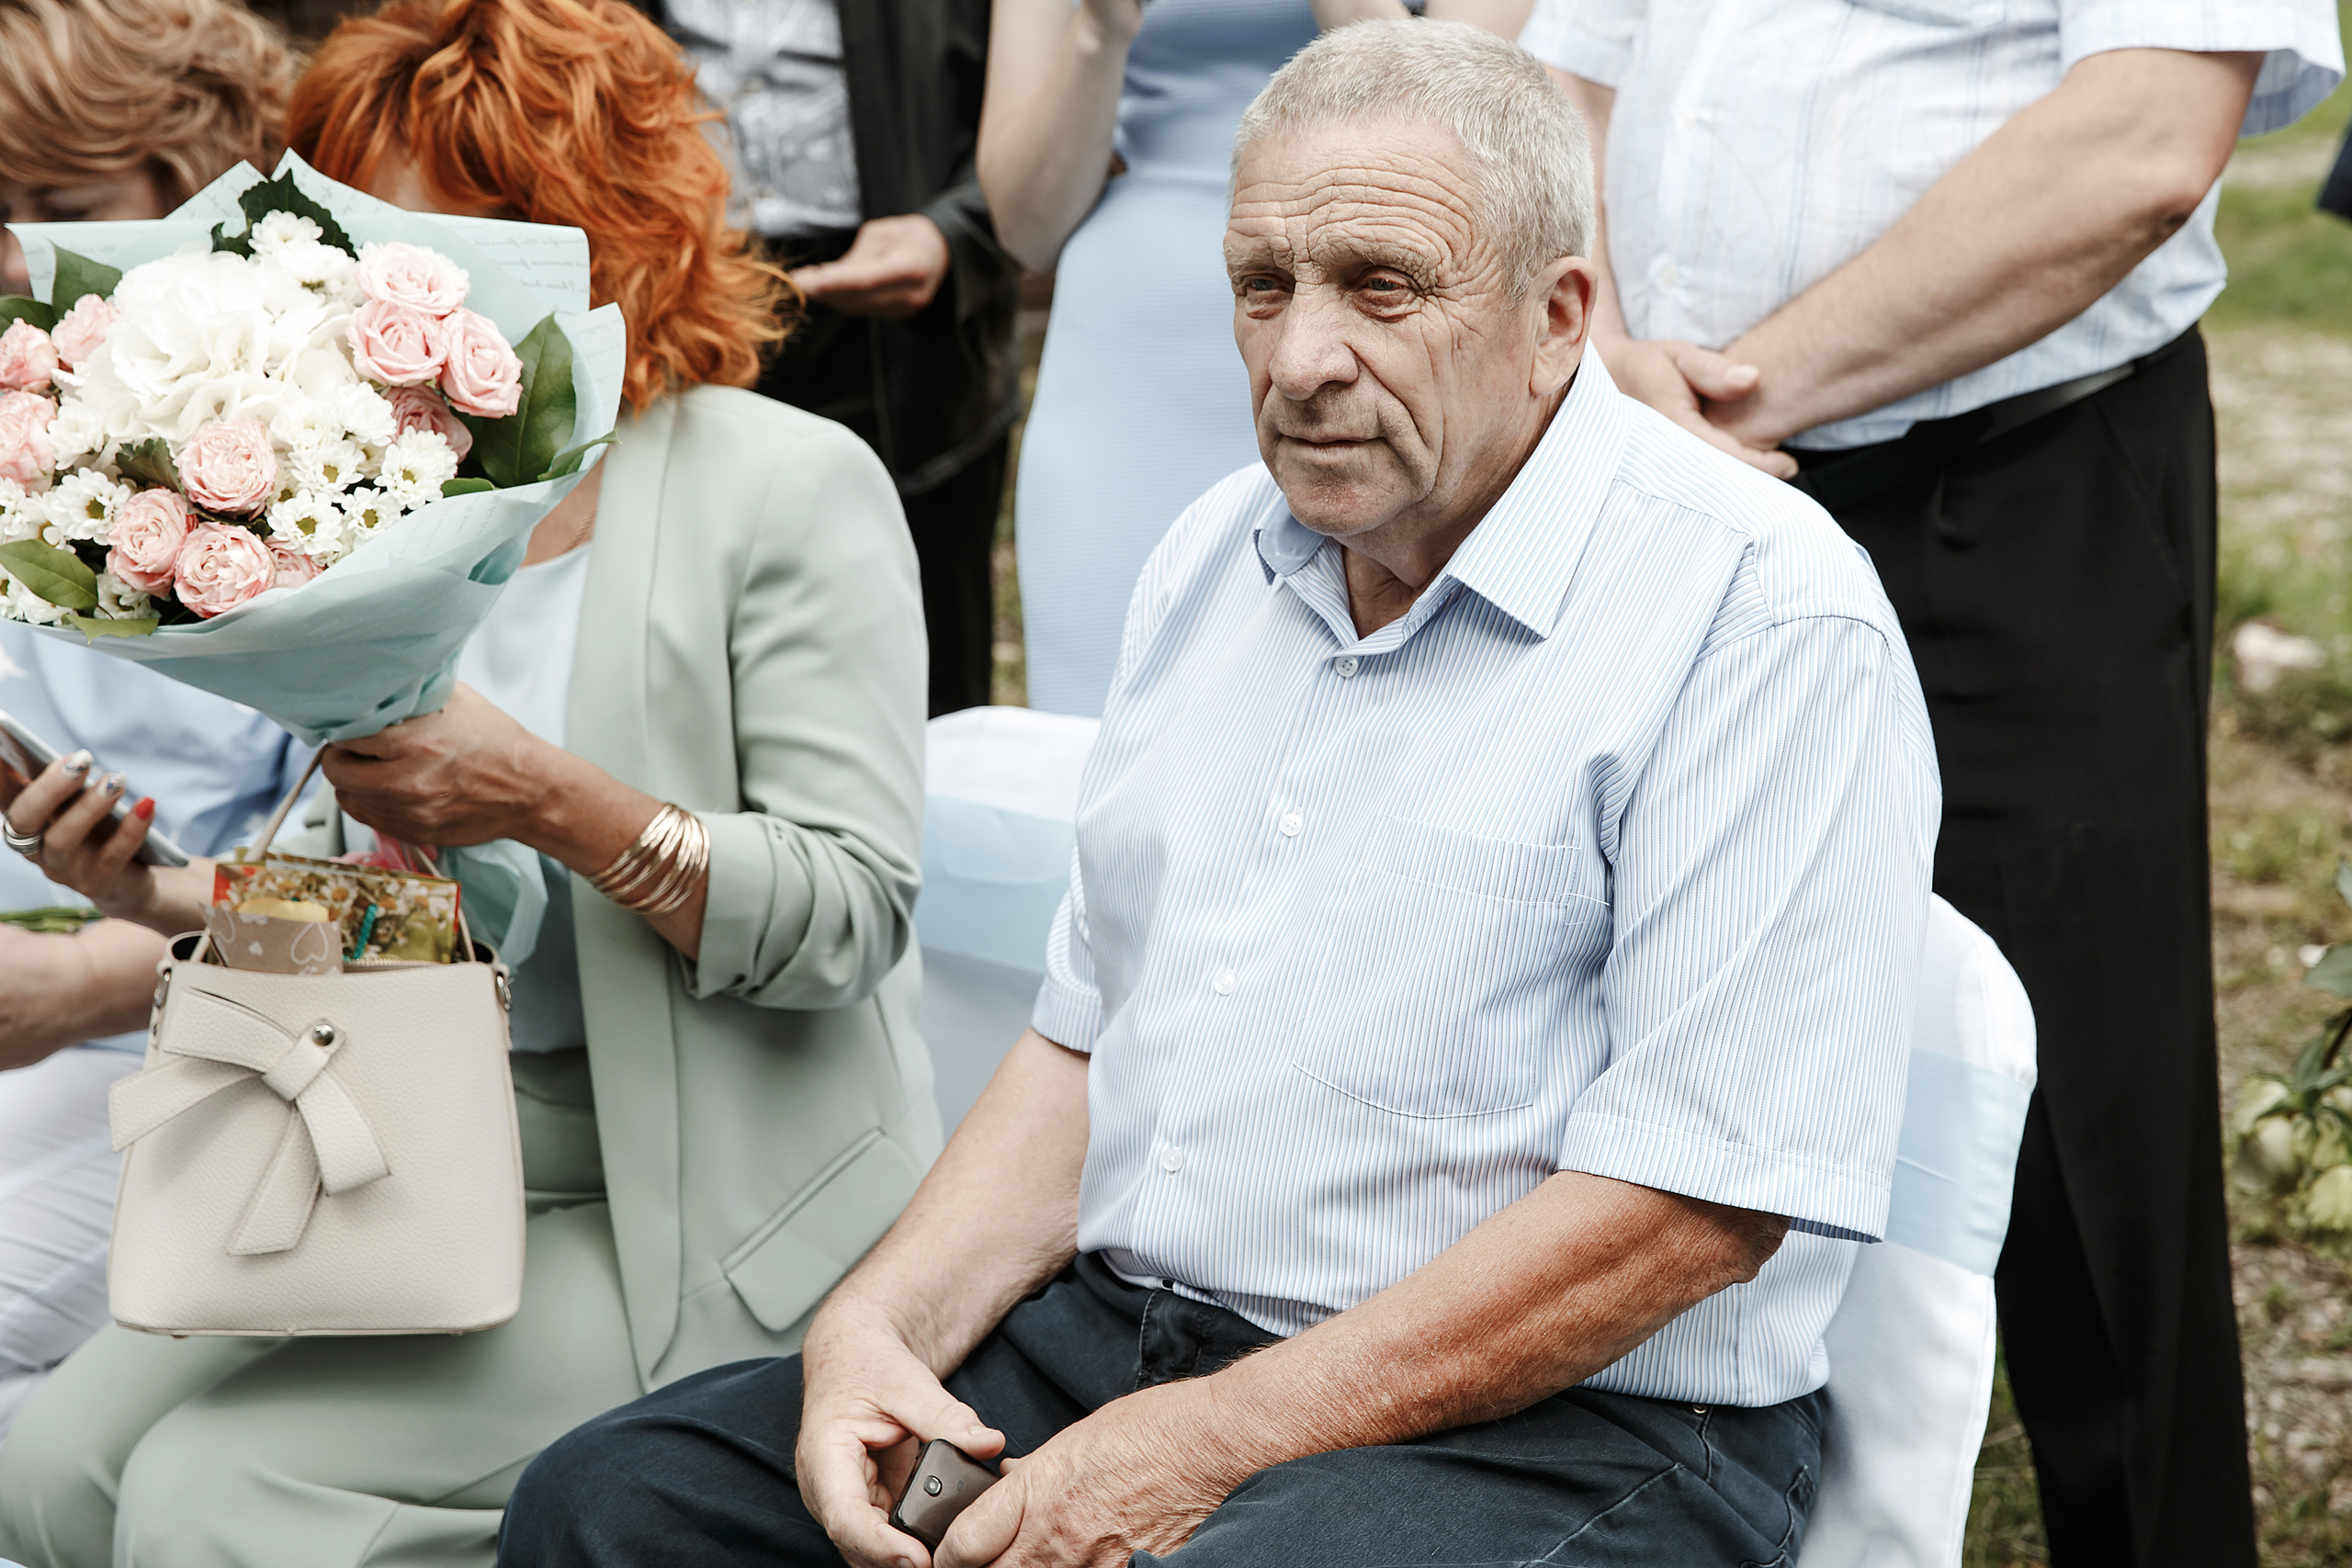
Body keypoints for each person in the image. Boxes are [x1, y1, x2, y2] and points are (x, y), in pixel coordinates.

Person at [499, 24, 1940, 1568]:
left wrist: (1202, 1443)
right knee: (613, 1504)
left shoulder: (1762, 614)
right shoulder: (1212, 555)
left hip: (1568, 1422)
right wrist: (872, 1325)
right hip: (1126, 1339)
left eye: (1382, 287)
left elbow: (1692, 1208)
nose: (1301, 356)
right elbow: (1086, 1042)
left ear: (1559, 318)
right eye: (1265, 286)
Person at [0, 2, 935, 1563]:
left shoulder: (782, 483)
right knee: (54, 1470)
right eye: (360, 233)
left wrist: (544, 794)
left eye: (454, 234)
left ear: (599, 230)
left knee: (213, 1497)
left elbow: (850, 914)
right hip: (433, 1146)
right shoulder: (363, 503)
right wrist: (146, 890)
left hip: (704, 1208)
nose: (397, 284)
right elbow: (419, 930)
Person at [1517, 5, 2343, 1564]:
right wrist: (1603, 356)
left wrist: (1733, 401)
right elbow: (1573, 65)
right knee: (1633, 1015)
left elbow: (2148, 134)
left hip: (2003, 480)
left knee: (2078, 1109)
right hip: (1653, 459)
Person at [0, 0, 304, 1448]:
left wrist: (99, 981)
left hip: (208, 1035)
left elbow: (381, 899)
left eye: (59, 206)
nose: (9, 248)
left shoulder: (303, 457)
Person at [986, 0, 1532, 718]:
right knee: (1103, 729)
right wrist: (1100, 26)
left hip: (1380, 333)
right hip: (1128, 368)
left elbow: (1463, 138)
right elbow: (1024, 226)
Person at [633, 0, 1023, 716]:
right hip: (681, 305)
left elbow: (1045, 98)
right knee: (705, 657)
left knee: (923, 665)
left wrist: (958, 233)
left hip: (909, 333)